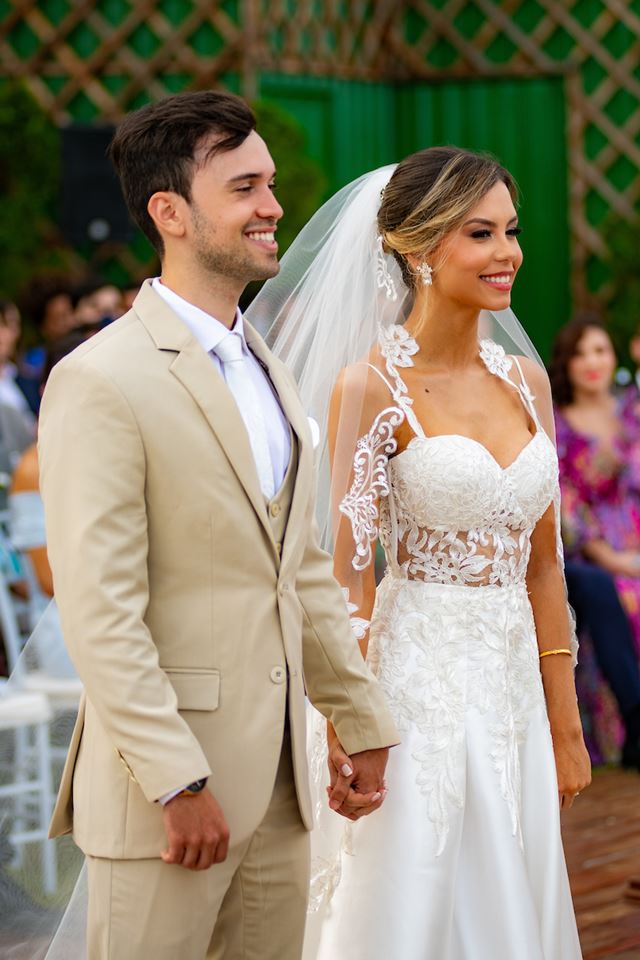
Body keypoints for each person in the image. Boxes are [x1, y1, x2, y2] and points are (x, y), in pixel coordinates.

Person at [37, 91, 399, 960]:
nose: (273, 207)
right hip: (171, 799)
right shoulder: (102, 379)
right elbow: (100, 611)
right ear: (170, 212)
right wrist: (174, 780)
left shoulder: (269, 368)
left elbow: (299, 567)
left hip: (283, 790)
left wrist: (360, 721)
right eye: (244, 188)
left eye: (270, 184)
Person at [248, 148, 591, 959]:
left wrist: (566, 724)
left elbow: (545, 566)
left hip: (513, 686)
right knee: (415, 894)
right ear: (417, 249)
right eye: (480, 233)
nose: (507, 253)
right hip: (415, 685)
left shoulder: (526, 382)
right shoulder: (368, 387)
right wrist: (345, 720)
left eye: (510, 231)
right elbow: (349, 578)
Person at [551, 317, 640, 765]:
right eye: (581, 353)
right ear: (566, 363)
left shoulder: (633, 412)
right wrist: (616, 559)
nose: (592, 362)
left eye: (601, 351)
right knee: (627, 596)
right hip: (594, 551)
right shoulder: (556, 424)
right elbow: (567, 510)